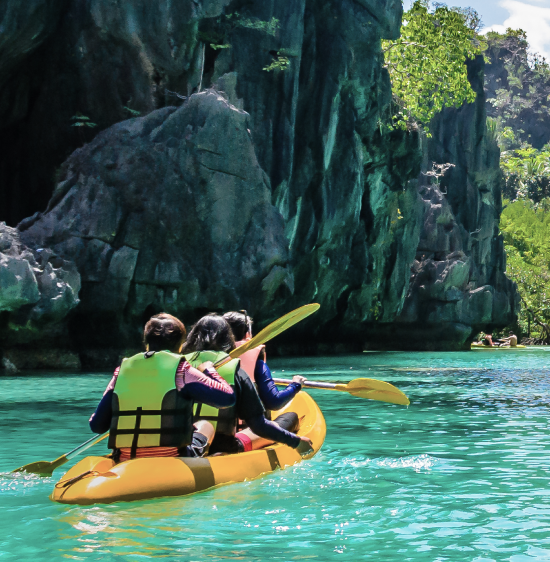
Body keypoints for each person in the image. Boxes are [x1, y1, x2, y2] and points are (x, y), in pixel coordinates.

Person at [89, 313, 235, 461]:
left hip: (126, 458)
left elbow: (97, 426)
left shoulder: (121, 371)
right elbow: (228, 397)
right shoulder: (181, 370)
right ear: (180, 345)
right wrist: (209, 370)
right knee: (205, 425)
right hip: (173, 457)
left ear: (146, 343)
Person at [182, 314, 313, 456]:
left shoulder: (179, 366)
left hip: (185, 444)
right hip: (225, 447)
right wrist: (296, 441)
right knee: (289, 418)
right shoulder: (235, 370)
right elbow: (259, 424)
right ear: (228, 338)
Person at [223, 310, 305, 411]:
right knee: (293, 416)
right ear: (248, 334)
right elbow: (274, 402)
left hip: (210, 424)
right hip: (247, 424)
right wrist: (295, 385)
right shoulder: (256, 363)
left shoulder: (209, 359)